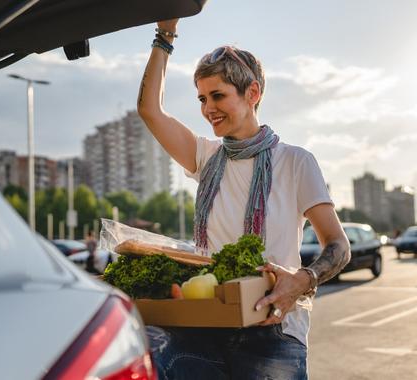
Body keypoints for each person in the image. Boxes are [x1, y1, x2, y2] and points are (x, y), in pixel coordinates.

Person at [136, 18, 351, 380]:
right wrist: (165, 35)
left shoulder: (295, 161)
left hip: (273, 330)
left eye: (218, 95)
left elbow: (339, 246)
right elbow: (149, 110)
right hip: (208, 324)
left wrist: (302, 280)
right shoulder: (204, 158)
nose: (208, 109)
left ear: (252, 93)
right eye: (202, 98)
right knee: (146, 351)